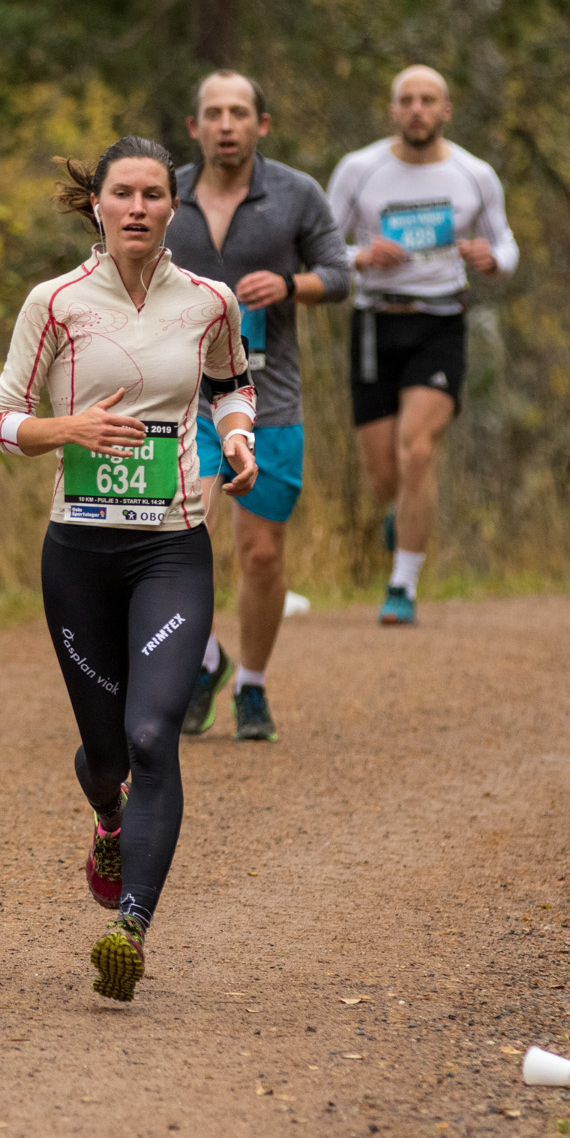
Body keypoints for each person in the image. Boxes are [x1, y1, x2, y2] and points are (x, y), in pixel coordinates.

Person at [0, 136, 255, 1003]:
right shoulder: (56, 302)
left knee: (153, 736)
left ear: (174, 206)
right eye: (123, 194)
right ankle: (109, 817)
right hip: (79, 554)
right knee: (107, 757)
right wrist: (67, 430)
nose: (138, 208)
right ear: (96, 204)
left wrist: (239, 439)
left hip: (172, 546)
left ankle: (129, 930)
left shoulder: (210, 301)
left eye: (153, 194)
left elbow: (232, 384)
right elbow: (3, 418)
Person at [165, 70, 351, 742]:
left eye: (239, 112)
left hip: (269, 398)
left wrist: (290, 284)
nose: (226, 124)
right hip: (182, 399)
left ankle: (251, 683)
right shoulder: (165, 195)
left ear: (261, 124)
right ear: (195, 127)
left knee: (262, 554)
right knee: (178, 537)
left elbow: (340, 274)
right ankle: (204, 658)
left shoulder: (297, 193)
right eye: (214, 113)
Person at [328, 65, 518, 624]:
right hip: (374, 321)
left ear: (445, 110)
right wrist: (361, 256)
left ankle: (403, 585)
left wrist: (492, 260)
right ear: (393, 111)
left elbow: (507, 246)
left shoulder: (474, 174)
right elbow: (320, 247)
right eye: (407, 100)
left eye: (428, 100)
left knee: (417, 452)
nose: (417, 109)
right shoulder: (359, 169)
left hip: (440, 321)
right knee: (385, 475)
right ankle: (403, 514)